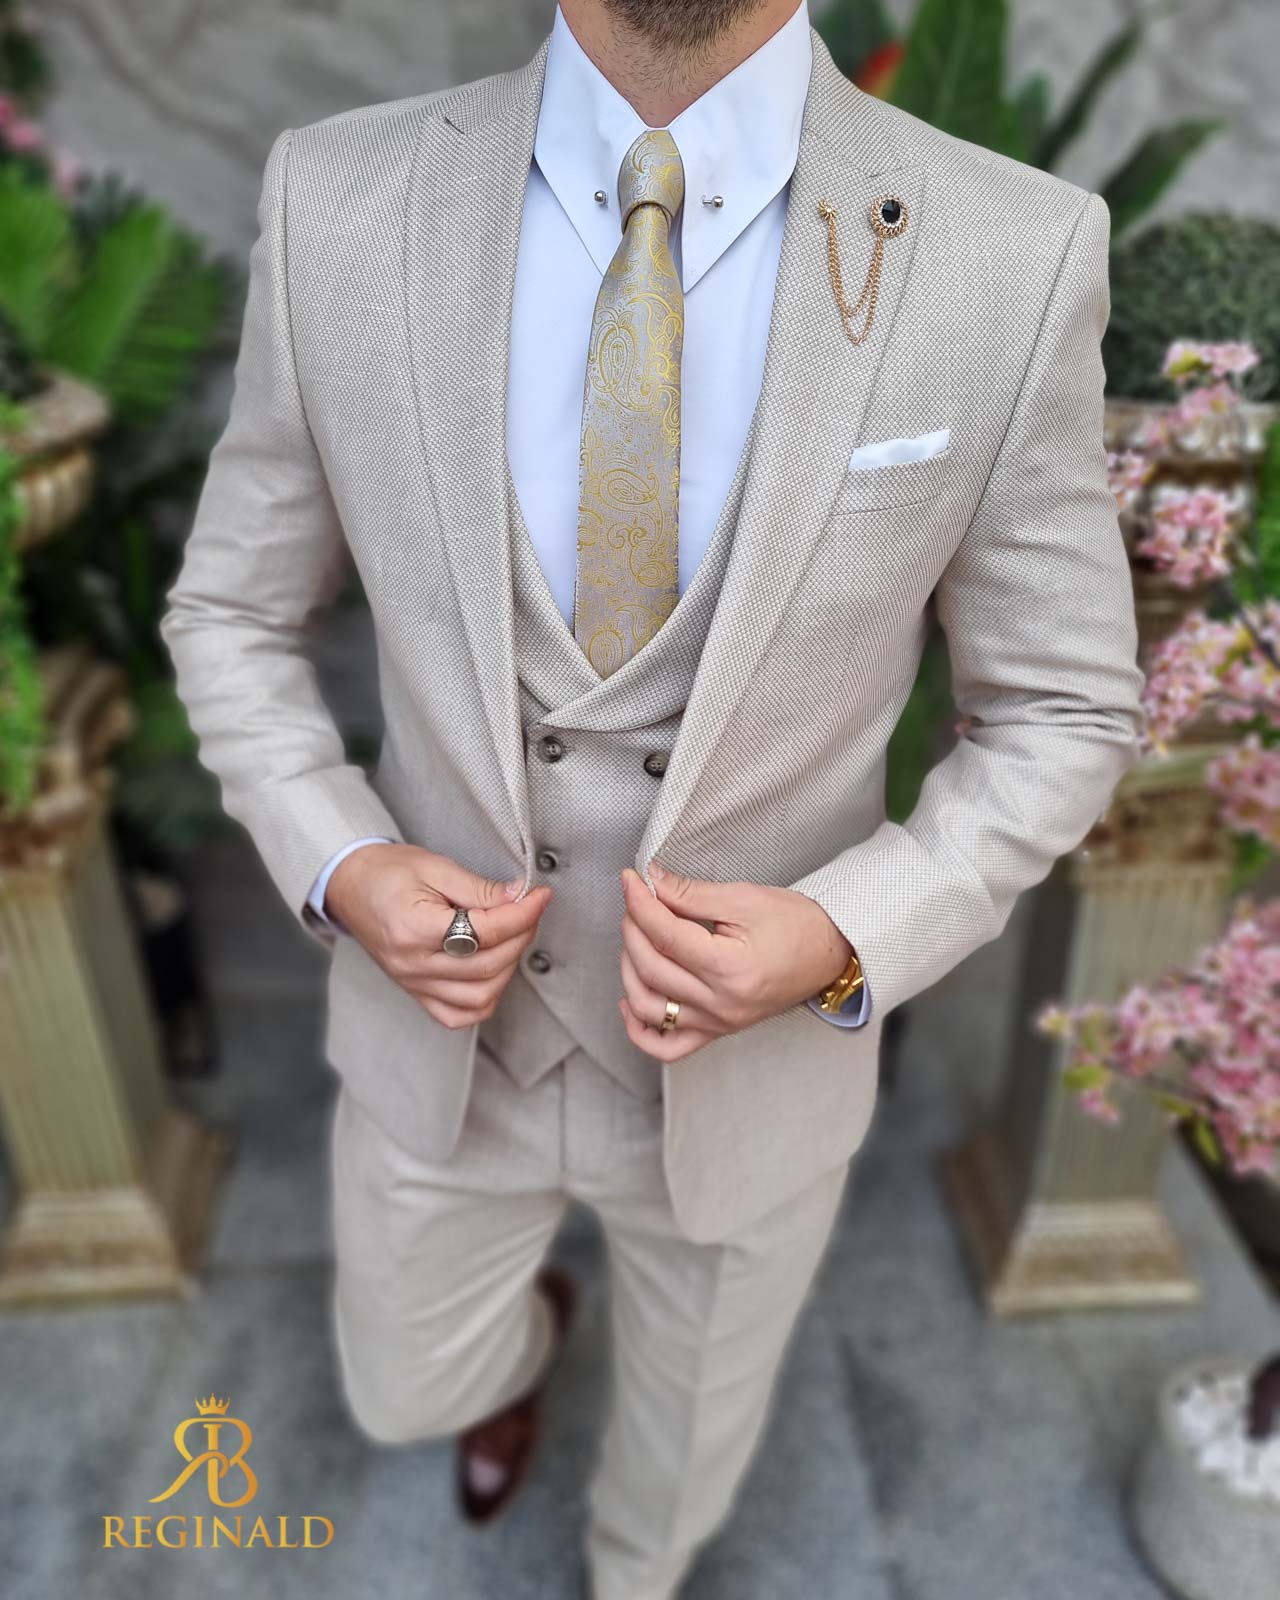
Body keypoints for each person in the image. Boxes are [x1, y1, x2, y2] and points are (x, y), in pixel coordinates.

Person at [160, 0, 1145, 1593]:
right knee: (403, 1383)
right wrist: (342, 864)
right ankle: (528, 1345)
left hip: (753, 1073)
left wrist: (847, 932)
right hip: (443, 1039)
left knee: (680, 1473)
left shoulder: (1010, 251)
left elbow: (1064, 704)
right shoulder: (335, 199)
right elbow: (229, 611)